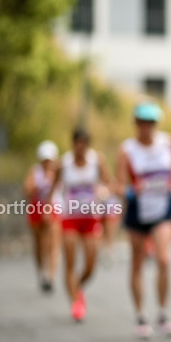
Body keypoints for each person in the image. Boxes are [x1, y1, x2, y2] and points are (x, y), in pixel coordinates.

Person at [117, 103, 171, 339]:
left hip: (163, 209)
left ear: (156, 124)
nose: (147, 128)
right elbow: (119, 185)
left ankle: (162, 313)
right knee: (137, 263)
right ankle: (141, 316)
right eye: (142, 123)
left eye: (151, 123)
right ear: (136, 124)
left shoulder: (169, 143)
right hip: (137, 211)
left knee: (164, 259)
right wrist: (132, 190)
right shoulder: (127, 150)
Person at [51, 128, 111, 321]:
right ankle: (76, 303)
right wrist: (50, 207)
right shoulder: (64, 164)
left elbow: (109, 183)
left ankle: (78, 287)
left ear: (88, 145)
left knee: (91, 266)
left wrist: (104, 192)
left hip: (91, 218)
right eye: (78, 143)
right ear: (73, 143)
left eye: (84, 144)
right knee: (70, 263)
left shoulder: (97, 161)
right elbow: (53, 190)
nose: (81, 148)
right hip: (70, 218)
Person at [24, 140, 61, 293]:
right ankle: (41, 272)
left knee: (53, 243)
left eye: (50, 160)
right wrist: (38, 186)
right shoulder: (35, 171)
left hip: (54, 208)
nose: (47, 163)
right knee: (39, 244)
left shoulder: (59, 171)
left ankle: (50, 277)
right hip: (37, 208)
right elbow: (27, 189)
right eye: (45, 160)